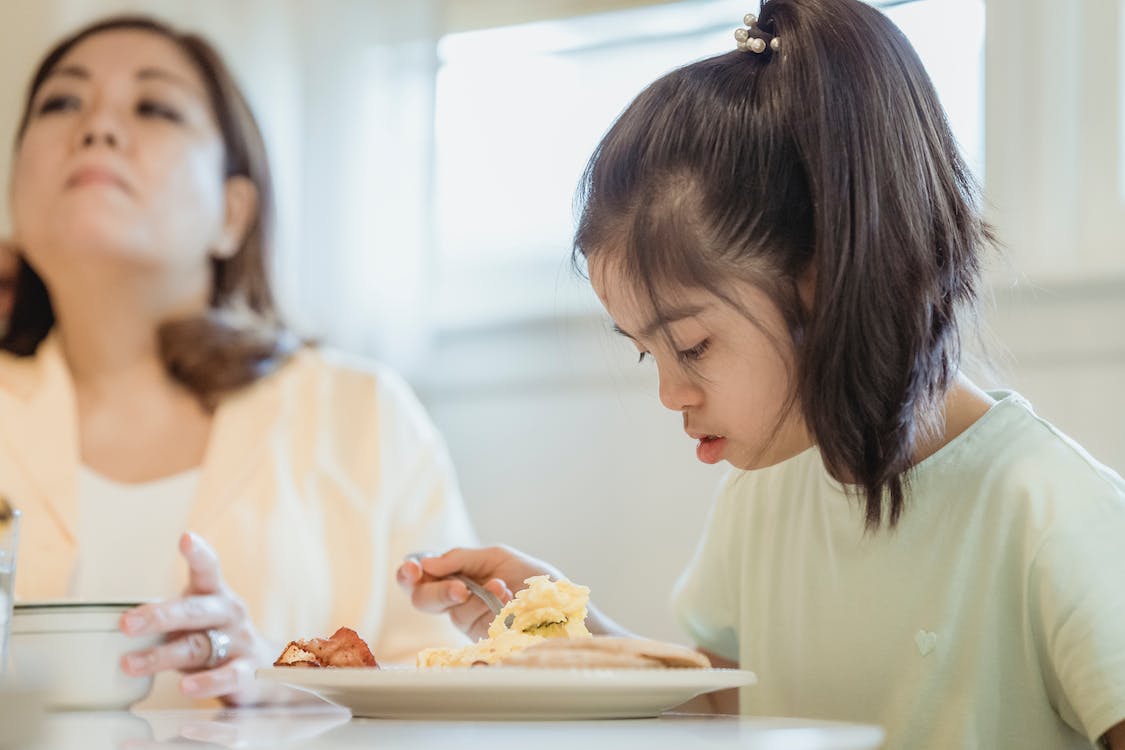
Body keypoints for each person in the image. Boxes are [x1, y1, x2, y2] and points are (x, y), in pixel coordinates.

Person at [396, 0, 1125, 747]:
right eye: (648, 352)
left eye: (692, 345)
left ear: (829, 278)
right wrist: (563, 636)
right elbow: (717, 710)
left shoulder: (1055, 517)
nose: (669, 394)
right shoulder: (762, 495)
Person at [0, 15, 474, 706]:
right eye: (61, 102)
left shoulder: (363, 415)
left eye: (155, 107)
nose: (97, 129)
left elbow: (455, 699)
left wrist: (289, 699)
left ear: (234, 211)